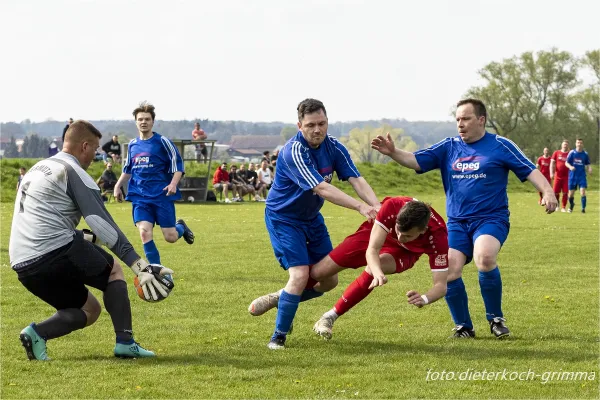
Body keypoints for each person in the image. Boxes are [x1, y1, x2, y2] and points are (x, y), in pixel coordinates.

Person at [371, 98, 557, 339]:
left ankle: (496, 319)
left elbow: (529, 169)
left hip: (491, 218)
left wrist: (548, 191)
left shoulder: (501, 145)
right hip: (458, 223)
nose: (460, 124)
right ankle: (463, 327)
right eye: (458, 119)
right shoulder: (448, 147)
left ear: (481, 120)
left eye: (466, 119)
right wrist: (393, 152)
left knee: (485, 257)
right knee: (450, 270)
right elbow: (416, 160)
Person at [9, 120, 173, 360]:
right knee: (114, 272)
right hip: (53, 252)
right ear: (84, 146)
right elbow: (103, 225)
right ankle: (126, 343)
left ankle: (36, 333)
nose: (96, 154)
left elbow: (46, 223)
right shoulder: (73, 172)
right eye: (96, 148)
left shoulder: (38, 168)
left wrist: (88, 239)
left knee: (90, 310)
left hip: (23, 264)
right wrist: (140, 266)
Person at [248, 98, 379, 350]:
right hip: (284, 218)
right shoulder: (294, 151)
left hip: (311, 219)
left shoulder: (334, 147)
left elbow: (356, 178)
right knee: (299, 275)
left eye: (321, 123)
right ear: (300, 125)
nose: (317, 129)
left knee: (329, 281)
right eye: (310, 125)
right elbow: (321, 187)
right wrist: (360, 207)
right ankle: (279, 336)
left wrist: (378, 207)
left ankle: (283, 298)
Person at [310, 197, 449, 339]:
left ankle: (329, 317)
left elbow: (441, 285)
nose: (400, 237)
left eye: (407, 235)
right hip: (378, 233)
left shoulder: (438, 237)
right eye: (399, 230)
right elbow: (373, 249)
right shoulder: (392, 206)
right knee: (319, 272)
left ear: (423, 230)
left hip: (407, 251)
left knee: (377, 266)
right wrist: (377, 273)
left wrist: (425, 299)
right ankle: (289, 299)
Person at [114, 102, 195, 270]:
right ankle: (156, 271)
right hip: (140, 196)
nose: (143, 122)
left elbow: (178, 166)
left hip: (161, 195)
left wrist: (173, 184)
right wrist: (118, 185)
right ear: (136, 122)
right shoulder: (132, 145)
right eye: (140, 119)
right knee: (144, 232)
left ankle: (181, 227)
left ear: (153, 122)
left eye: (147, 119)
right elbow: (128, 169)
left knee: (170, 237)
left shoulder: (163, 142)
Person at [565, 138, 592, 213]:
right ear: (575, 144)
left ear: (582, 144)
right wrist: (570, 167)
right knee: (570, 195)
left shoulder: (585, 154)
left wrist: (589, 169)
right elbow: (566, 163)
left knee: (582, 192)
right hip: (573, 176)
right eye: (578, 143)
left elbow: (588, 163)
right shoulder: (572, 153)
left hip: (581, 176)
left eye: (580, 143)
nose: (579, 144)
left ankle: (583, 209)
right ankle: (571, 205)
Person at [550, 140, 570, 212]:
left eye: (566, 144)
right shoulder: (556, 153)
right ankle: (557, 205)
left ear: (568, 146)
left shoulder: (569, 154)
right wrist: (551, 173)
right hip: (558, 176)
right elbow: (552, 163)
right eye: (564, 144)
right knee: (555, 192)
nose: (565, 146)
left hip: (567, 177)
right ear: (561, 145)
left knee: (565, 192)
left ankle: (563, 207)